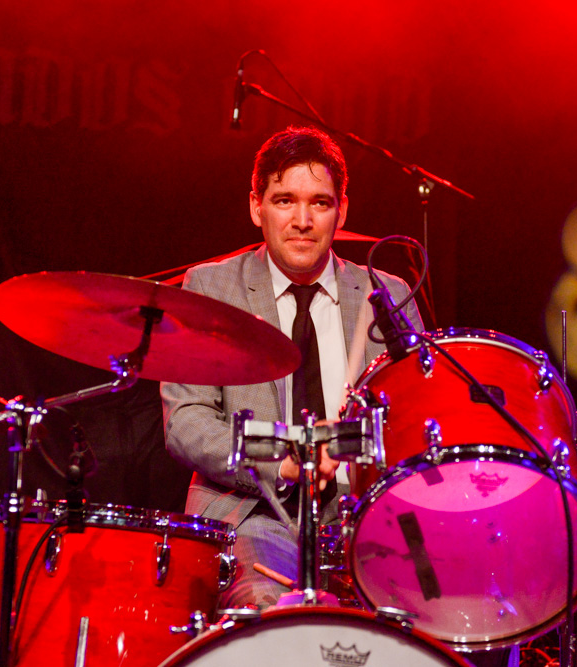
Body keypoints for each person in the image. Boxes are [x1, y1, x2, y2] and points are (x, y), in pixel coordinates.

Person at [160, 125, 422, 609]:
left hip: (363, 514)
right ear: (256, 206)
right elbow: (186, 420)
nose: (302, 220)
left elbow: (415, 419)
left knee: (432, 605)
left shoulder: (386, 294)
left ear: (342, 210)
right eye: (284, 201)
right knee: (269, 611)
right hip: (256, 509)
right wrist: (280, 463)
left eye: (320, 203)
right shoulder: (212, 288)